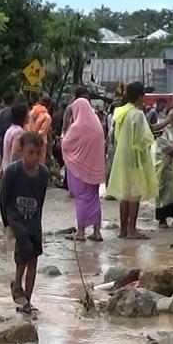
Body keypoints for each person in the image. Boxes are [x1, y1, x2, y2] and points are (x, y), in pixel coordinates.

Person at [0, 132, 49, 314]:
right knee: (24, 250)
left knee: (34, 259)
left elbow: (41, 199)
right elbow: (3, 198)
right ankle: (17, 283)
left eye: (38, 153)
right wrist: (7, 224)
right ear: (21, 151)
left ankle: (27, 299)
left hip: (33, 220)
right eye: (30, 152)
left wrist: (37, 222)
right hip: (16, 218)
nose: (34, 157)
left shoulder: (43, 174)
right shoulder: (12, 171)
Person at [105, 82, 157, 239]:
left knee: (125, 194)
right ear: (141, 97)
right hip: (135, 157)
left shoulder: (121, 112)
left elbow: (115, 134)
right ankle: (132, 230)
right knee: (135, 195)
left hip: (122, 155)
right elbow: (144, 138)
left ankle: (123, 230)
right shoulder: (137, 114)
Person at [61, 97, 105, 242]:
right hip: (95, 169)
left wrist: (68, 127)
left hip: (79, 169)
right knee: (93, 198)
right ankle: (97, 232)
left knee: (81, 199)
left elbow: (65, 144)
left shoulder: (76, 127)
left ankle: (80, 232)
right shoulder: (97, 125)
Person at [0, 103, 28, 184]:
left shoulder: (9, 129)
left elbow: (5, 152)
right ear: (23, 116)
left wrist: (2, 169)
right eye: (27, 113)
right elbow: (15, 153)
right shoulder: (19, 132)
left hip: (6, 167)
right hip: (14, 172)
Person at [26, 95, 52, 165]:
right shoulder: (47, 117)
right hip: (40, 143)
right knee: (39, 165)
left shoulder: (30, 113)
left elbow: (26, 127)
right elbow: (43, 132)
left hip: (28, 141)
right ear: (49, 105)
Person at [0, 92, 15, 171]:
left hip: (1, 140)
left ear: (3, 101)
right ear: (13, 100)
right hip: (13, 140)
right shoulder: (14, 111)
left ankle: (1, 180)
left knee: (2, 161)